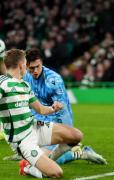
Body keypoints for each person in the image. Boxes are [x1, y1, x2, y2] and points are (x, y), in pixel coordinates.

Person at [0, 48, 84, 178]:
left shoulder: (25, 85)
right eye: (27, 65)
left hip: (34, 126)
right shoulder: (2, 83)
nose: (30, 70)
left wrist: (53, 108)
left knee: (76, 135)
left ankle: (50, 157)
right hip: (22, 140)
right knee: (57, 173)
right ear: (22, 65)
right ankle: (28, 168)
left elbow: (40, 109)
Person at [23, 48, 107, 165]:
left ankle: (80, 153)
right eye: (32, 68)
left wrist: (64, 132)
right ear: (26, 66)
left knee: (43, 161)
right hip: (39, 120)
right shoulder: (25, 76)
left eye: (38, 66)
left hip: (56, 120)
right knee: (32, 157)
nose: (35, 70)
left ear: (41, 62)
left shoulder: (53, 80)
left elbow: (60, 108)